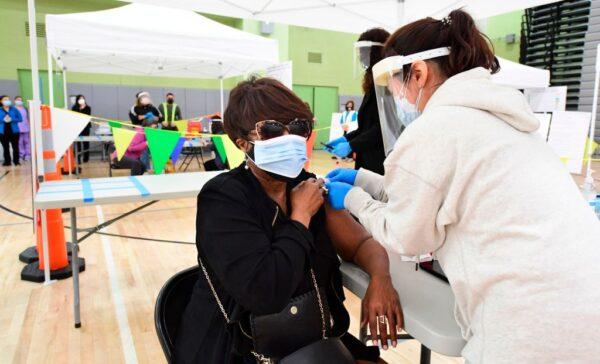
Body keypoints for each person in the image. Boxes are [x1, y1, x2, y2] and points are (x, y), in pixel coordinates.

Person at [325, 10, 600, 363]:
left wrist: (354, 198)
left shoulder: (435, 129)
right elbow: (443, 194)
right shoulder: (504, 120)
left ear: (419, 73)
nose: (399, 98)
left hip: (531, 323)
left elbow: (408, 235)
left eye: (396, 85)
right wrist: (365, 180)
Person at [175, 77, 404, 364]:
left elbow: (361, 244)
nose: (289, 138)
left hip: (310, 336)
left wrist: (381, 279)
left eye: (298, 127)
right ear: (242, 142)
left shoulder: (306, 185)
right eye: (271, 130)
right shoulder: (223, 199)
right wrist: (300, 216)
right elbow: (265, 293)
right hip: (242, 349)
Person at [327, 29, 390, 175]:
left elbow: (382, 129)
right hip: (367, 160)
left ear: (377, 52)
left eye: (364, 51)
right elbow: (365, 129)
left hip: (380, 163)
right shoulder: (374, 84)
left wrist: (351, 145)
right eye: (360, 51)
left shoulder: (387, 85)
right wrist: (345, 138)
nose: (360, 56)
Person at [0, 95, 22, 166]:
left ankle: (16, 161)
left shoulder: (14, 109)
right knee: (6, 148)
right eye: (5, 99)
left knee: (15, 147)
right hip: (3, 132)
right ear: (1, 101)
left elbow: (20, 119)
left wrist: (12, 119)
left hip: (14, 131)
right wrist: (3, 120)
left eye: (8, 99)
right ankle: (7, 162)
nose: (7, 101)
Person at [71, 95, 92, 163]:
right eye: (80, 99)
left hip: (86, 128)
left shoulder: (88, 108)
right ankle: (78, 158)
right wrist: (80, 109)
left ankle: (86, 158)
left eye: (83, 98)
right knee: (78, 144)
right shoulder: (74, 108)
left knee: (86, 143)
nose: (81, 100)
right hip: (77, 128)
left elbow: (87, 116)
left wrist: (83, 108)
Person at [14, 96, 30, 161]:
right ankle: (21, 155)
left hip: (26, 128)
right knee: (19, 143)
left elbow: (28, 118)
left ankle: (28, 155)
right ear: (15, 101)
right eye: (18, 100)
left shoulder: (25, 109)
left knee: (27, 142)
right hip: (17, 129)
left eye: (20, 100)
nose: (19, 101)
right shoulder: (13, 109)